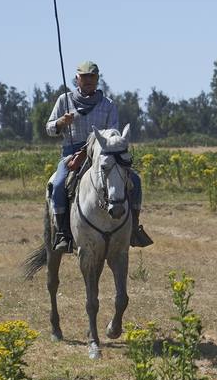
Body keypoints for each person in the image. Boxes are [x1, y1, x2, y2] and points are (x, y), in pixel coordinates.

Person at [45, 61, 151, 252]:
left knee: (134, 180)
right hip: (71, 155)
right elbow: (49, 129)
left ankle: (133, 228)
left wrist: (89, 150)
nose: (88, 80)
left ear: (97, 79)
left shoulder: (108, 105)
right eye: (84, 77)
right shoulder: (64, 100)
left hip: (103, 154)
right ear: (77, 78)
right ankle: (62, 233)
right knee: (59, 184)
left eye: (92, 77)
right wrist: (61, 122)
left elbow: (113, 134)